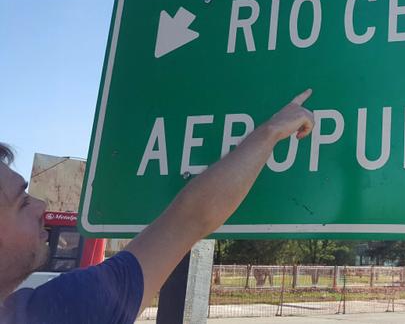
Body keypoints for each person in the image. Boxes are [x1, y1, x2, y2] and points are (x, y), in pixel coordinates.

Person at [0, 89, 315, 323]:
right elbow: (189, 219)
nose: (41, 205)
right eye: (22, 202)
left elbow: (188, 220)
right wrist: (272, 131)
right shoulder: (59, 312)